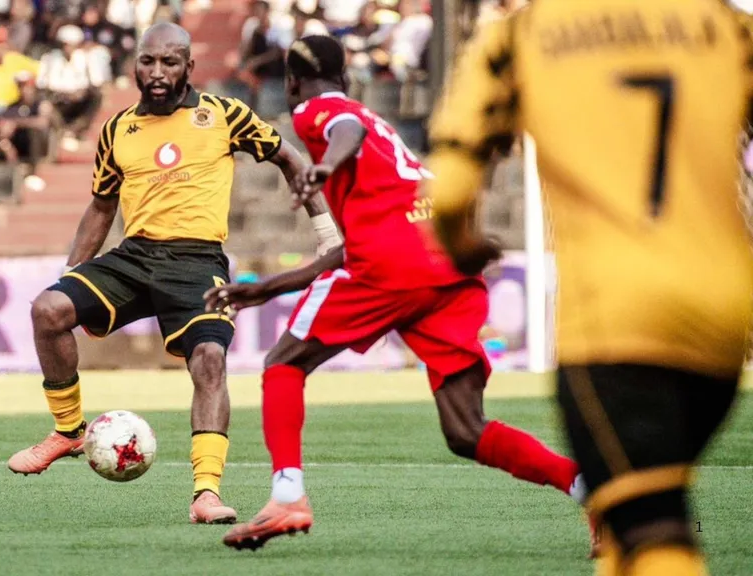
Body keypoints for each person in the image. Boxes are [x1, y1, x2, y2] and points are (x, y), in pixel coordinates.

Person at [205, 35, 592, 551]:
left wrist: (325, 166)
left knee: (284, 363)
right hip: (445, 261)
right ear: (346, 73)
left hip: (394, 264)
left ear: (292, 81)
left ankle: (288, 496)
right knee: (465, 431)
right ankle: (591, 492)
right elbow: (353, 242)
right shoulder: (378, 128)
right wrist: (267, 289)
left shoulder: (315, 112)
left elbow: (344, 133)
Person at [426, 2, 753, 576]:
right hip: (724, 311)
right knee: (636, 514)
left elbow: (450, 192)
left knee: (653, 529)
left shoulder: (520, 34)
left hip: (617, 318)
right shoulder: (727, 26)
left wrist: (463, 246)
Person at [6, 22, 342, 525]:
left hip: (198, 261)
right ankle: (69, 431)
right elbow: (101, 205)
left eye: (170, 62)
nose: (158, 72)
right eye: (149, 61)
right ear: (136, 65)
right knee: (48, 309)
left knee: (209, 359)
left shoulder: (224, 114)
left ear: (188, 66)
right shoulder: (119, 128)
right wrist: (72, 271)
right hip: (135, 255)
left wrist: (327, 234)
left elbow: (287, 158)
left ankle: (206, 494)